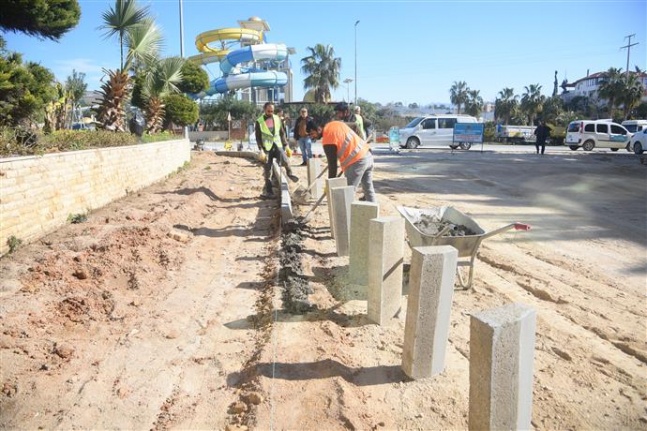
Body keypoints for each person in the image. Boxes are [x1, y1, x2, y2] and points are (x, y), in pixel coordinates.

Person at [309, 120, 376, 203]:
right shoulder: (335, 124)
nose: (312, 137)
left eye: (312, 134)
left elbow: (333, 165)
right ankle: (374, 213)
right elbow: (355, 126)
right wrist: (361, 143)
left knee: (348, 193)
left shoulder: (327, 139)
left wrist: (330, 184)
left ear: (318, 129)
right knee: (368, 189)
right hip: (367, 155)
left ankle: (348, 216)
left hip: (356, 162)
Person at [255, 102, 299, 199]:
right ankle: (269, 192)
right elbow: (258, 136)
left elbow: (282, 133)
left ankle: (290, 173)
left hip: (277, 144)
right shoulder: (259, 121)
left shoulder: (277, 118)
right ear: (264, 110)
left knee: (285, 159)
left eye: (272, 110)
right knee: (268, 171)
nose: (270, 112)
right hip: (267, 148)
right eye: (268, 111)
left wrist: (286, 145)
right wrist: (260, 149)